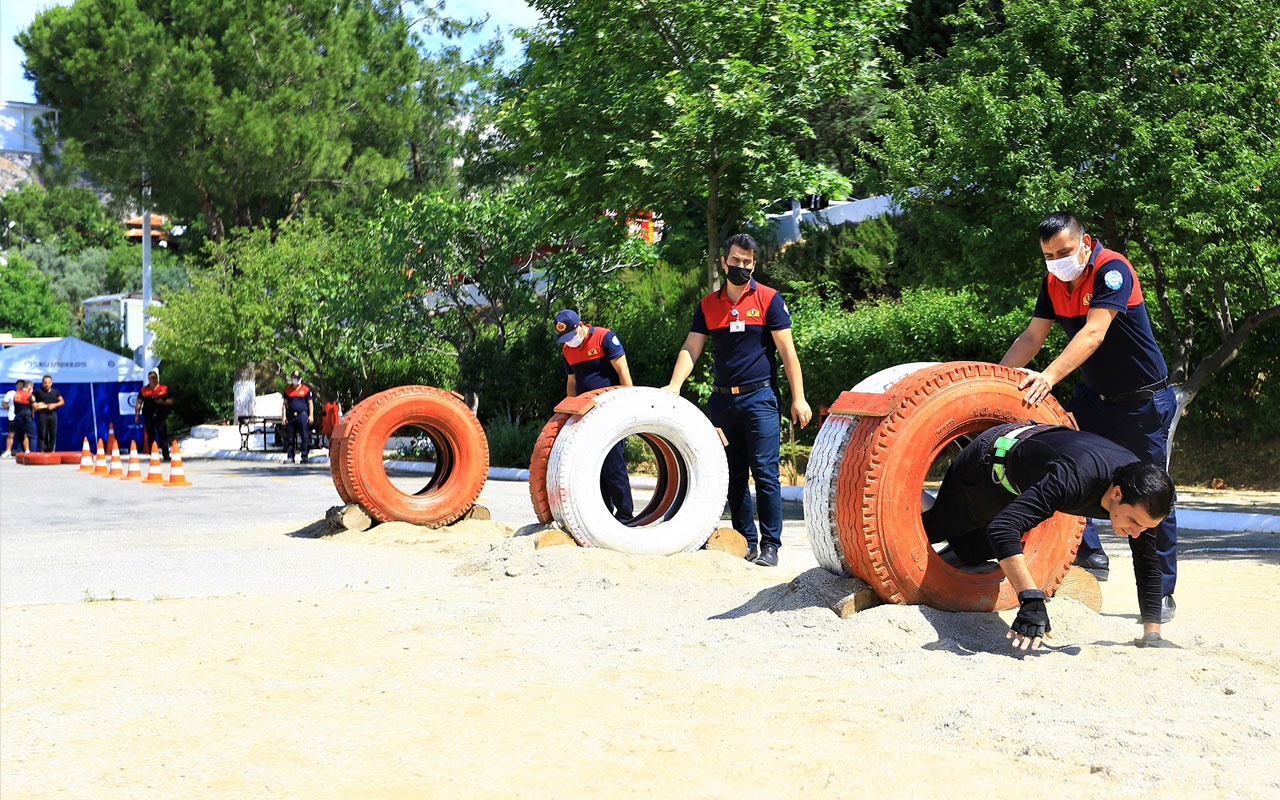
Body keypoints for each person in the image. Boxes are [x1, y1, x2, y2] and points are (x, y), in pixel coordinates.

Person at [999, 211, 1179, 623]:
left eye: (1064, 251)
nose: (1057, 261)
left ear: (1084, 241)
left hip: (1141, 403)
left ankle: (1161, 594)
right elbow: (1032, 336)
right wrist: (999, 379)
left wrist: (1048, 376)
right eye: (1048, 255)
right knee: (1067, 467)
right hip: (1092, 399)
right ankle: (1090, 554)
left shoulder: (1112, 269)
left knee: (1151, 491)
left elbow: (1094, 333)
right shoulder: (1052, 282)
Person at [922, 423, 1176, 650]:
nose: (1136, 532)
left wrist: (1151, 635)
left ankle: (957, 530)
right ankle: (924, 502)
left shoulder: (1142, 498)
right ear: (1117, 494)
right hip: (987, 465)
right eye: (1133, 522)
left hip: (1028, 474)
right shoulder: (1075, 478)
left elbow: (1147, 564)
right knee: (938, 529)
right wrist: (1031, 599)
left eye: (1144, 527)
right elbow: (1002, 528)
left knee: (974, 551)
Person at [662, 233, 812, 567]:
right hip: (721, 403)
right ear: (724, 261)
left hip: (759, 399)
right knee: (732, 473)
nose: (740, 266)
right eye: (735, 260)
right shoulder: (708, 305)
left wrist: (798, 398)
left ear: (754, 264)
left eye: (747, 262)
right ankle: (746, 542)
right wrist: (674, 385)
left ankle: (771, 546)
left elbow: (788, 353)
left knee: (765, 473)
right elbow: (692, 347)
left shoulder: (769, 299)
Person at [554, 308, 635, 522]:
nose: (568, 341)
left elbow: (623, 370)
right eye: (564, 338)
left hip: (611, 409)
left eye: (570, 336)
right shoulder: (567, 351)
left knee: (613, 463)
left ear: (580, 326)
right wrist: (569, 411)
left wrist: (630, 403)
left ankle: (626, 515)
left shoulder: (605, 337)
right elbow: (572, 382)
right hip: (586, 412)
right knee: (592, 464)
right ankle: (603, 514)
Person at [135, 370, 174, 461]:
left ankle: (166, 454)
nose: (153, 380)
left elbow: (171, 401)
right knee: (150, 436)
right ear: (148, 379)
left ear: (157, 378)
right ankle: (153, 454)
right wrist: (137, 415)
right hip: (148, 416)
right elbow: (139, 403)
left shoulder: (164, 389)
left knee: (162, 435)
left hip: (160, 416)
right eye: (151, 378)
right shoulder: (144, 390)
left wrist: (162, 401)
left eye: (154, 378)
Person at [284, 370, 313, 463]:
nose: (296, 380)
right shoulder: (288, 391)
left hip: (302, 415)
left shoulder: (305, 389)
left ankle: (304, 456)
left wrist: (311, 415)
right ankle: (290, 456)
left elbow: (310, 403)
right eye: (294, 378)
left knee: (304, 436)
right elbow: (284, 405)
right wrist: (284, 416)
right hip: (291, 416)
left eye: (297, 378)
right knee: (290, 437)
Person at [31, 375, 65, 452]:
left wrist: (54, 405)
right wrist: (38, 404)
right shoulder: (38, 391)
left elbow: (62, 401)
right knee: (42, 433)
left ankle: (52, 450)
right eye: (45, 383)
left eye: (48, 383)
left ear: (51, 383)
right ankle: (42, 450)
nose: (47, 384)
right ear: (42, 383)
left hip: (52, 414)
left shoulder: (55, 391)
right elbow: (31, 399)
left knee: (53, 433)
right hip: (42, 415)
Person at [8, 380, 36, 454]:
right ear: (29, 387)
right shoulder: (29, 395)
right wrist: (43, 405)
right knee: (32, 435)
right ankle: (32, 453)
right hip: (26, 418)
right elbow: (35, 406)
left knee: (20, 436)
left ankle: (20, 453)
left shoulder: (16, 394)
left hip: (18, 417)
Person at [2, 380, 19, 457]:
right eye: (19, 384)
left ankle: (26, 451)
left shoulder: (27, 394)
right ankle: (8, 451)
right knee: (10, 434)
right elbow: (4, 404)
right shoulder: (11, 393)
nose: (20, 386)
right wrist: (10, 409)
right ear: (16, 385)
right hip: (12, 417)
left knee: (25, 435)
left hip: (23, 417)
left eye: (22, 385)